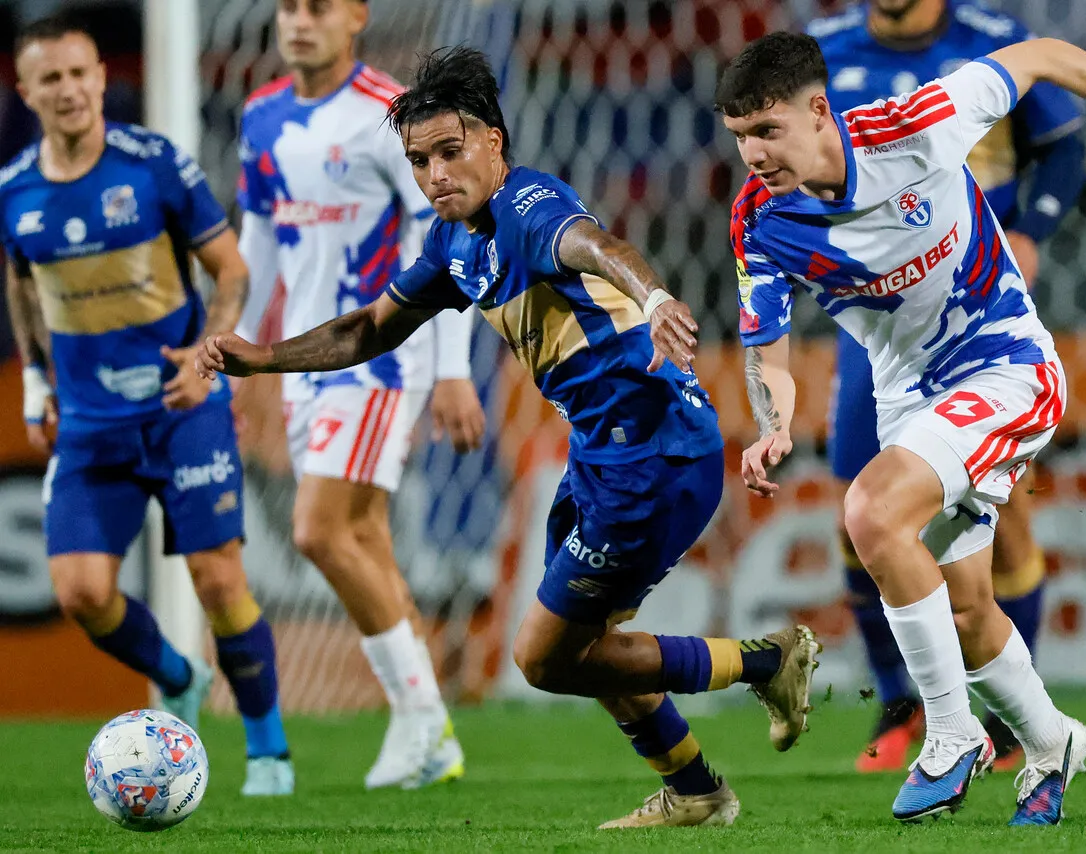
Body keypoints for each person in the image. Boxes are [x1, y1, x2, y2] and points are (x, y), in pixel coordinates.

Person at [198, 45, 822, 830]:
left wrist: (654, 293)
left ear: (494, 142)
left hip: (654, 453)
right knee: (591, 644)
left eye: (450, 153)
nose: (434, 175)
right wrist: (266, 359)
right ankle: (695, 791)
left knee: (545, 657)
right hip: (604, 456)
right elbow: (367, 328)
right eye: (419, 160)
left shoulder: (528, 207)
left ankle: (766, 662)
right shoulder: (455, 242)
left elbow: (595, 245)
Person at [719, 31, 1086, 824]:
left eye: (767, 131)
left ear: (819, 111)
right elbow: (771, 356)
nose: (753, 154)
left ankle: (950, 735)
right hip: (911, 403)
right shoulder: (759, 223)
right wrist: (770, 424)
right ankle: (1051, 739)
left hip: (1005, 368)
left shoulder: (915, 126)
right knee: (965, 610)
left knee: (870, 513)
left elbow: (1039, 56)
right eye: (741, 137)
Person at [0, 15, 297, 796]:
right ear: (25, 91)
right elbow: (23, 286)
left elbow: (230, 271)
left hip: (181, 403)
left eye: (79, 74)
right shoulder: (14, 191)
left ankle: (268, 753)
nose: (67, 90)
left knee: (218, 578)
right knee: (82, 593)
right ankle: (178, 672)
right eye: (49, 79)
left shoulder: (154, 165)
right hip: (92, 422)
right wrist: (35, 378)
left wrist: (211, 355)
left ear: (102, 77)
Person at [806, 0, 1085, 774]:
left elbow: (1063, 147)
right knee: (859, 513)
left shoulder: (991, 42)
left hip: (980, 301)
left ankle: (1004, 721)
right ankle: (905, 708)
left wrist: (1033, 228)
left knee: (997, 520)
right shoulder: (822, 53)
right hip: (886, 315)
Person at [233, 0, 485, 790]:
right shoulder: (262, 116)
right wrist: (244, 355)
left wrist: (450, 367)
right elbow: (260, 242)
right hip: (306, 359)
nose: (299, 21)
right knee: (365, 540)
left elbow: (444, 240)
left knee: (315, 530)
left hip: (377, 358)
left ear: (356, 17)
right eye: (288, 7)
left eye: (318, 7)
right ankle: (430, 729)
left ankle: (418, 721)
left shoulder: (387, 115)